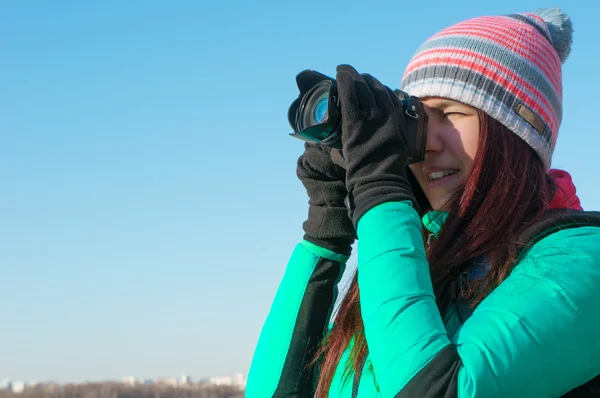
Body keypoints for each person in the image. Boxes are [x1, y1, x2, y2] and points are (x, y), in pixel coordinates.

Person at [246, 7, 600, 398]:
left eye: (451, 114)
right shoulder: (415, 263)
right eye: (418, 121)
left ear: (517, 132)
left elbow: (439, 390)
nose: (429, 144)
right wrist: (326, 232)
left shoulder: (582, 258)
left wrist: (379, 191)